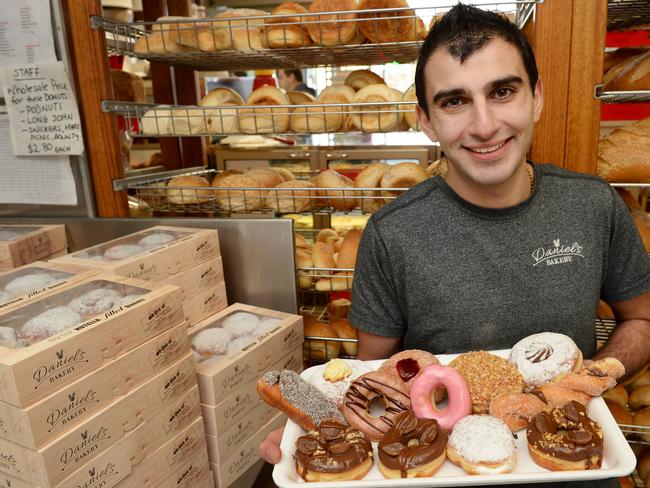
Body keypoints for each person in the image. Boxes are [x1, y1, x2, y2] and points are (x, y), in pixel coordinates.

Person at [259, 5, 650, 486]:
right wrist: (322, 433)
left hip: (574, 467)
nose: (484, 125)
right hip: (438, 471)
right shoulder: (391, 233)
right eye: (454, 101)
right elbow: (375, 381)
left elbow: (642, 318)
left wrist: (584, 383)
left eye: (503, 91)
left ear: (537, 97)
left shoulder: (593, 205)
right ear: (425, 119)